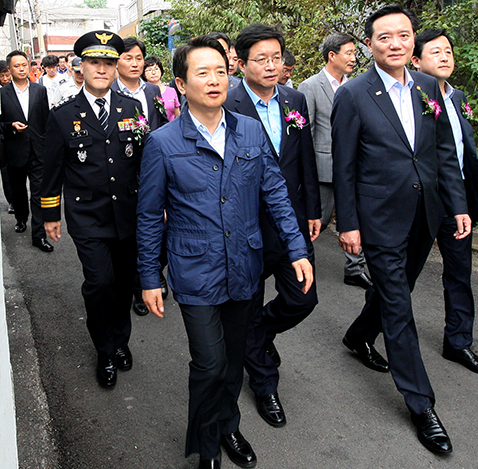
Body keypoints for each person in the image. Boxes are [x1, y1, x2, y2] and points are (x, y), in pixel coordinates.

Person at [138, 34, 313, 469]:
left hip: (246, 266)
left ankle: (228, 426)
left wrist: (297, 248)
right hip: (195, 270)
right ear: (181, 84)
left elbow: (275, 193)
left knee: (233, 362)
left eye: (221, 71)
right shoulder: (162, 143)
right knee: (210, 363)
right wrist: (148, 278)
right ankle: (207, 446)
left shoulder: (249, 129)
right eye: (202, 72)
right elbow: (147, 216)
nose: (214, 80)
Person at [333, 5, 469, 454]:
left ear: (413, 40)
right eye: (384, 36)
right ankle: (421, 403)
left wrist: (457, 206)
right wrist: (348, 224)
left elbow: (442, 153)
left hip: (425, 214)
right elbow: (345, 166)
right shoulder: (353, 94)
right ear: (370, 43)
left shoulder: (430, 86)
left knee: (399, 291)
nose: (395, 43)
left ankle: (356, 336)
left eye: (403, 35)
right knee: (398, 306)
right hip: (379, 218)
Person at [224, 24, 321, 429]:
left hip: (290, 220)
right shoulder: (226, 103)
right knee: (245, 303)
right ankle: (265, 385)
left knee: (303, 298)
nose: (270, 66)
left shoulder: (294, 98)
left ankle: (256, 337)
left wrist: (313, 209)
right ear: (241, 63)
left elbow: (305, 159)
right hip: (245, 225)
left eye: (276, 58)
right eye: (260, 59)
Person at [41, 31, 143, 388]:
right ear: (80, 67)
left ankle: (121, 340)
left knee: (124, 284)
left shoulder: (132, 109)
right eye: (95, 62)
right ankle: (104, 349)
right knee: (100, 283)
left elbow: (142, 164)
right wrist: (49, 214)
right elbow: (50, 169)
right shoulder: (63, 115)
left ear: (116, 68)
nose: (102, 69)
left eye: (109, 63)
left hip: (128, 215)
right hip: (88, 218)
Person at [411, 29, 478, 377]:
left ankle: (458, 341)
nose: (445, 56)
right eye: (436, 52)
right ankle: (362, 333)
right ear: (416, 61)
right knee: (403, 274)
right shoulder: (410, 98)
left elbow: (462, 150)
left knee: (460, 272)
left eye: (448, 51)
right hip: (422, 199)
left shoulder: (458, 96)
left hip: (458, 197)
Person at [297, 33, 372, 289]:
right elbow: (304, 134)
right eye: (349, 53)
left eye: (354, 53)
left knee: (355, 219)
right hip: (324, 169)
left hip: (355, 168)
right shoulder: (310, 86)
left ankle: (355, 267)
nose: (354, 58)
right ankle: (297, 260)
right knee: (318, 221)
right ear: (332, 56)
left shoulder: (356, 87)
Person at [111, 37, 167, 316]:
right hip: (122, 176)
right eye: (127, 58)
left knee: (164, 227)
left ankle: (155, 271)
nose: (134, 63)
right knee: (135, 233)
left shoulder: (153, 90)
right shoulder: (108, 92)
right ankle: (139, 286)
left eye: (138, 58)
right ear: (117, 61)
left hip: (155, 171)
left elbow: (163, 124)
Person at [0, 50, 52, 252]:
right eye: (16, 66)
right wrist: (11, 125)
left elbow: (45, 120)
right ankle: (21, 218)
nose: (21, 69)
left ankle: (38, 236)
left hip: (38, 150)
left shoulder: (40, 90)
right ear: (9, 69)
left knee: (38, 194)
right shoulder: (2, 94)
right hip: (15, 150)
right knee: (18, 191)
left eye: (24, 65)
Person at [0, 60, 14, 215]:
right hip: (2, 138)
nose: (5, 79)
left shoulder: (15, 90)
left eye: (7, 75)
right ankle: (12, 201)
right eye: (2, 76)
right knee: (6, 172)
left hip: (17, 137)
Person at [143, 55, 180, 121]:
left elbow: (177, 115)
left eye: (156, 69)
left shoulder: (171, 91)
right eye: (149, 70)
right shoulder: (143, 93)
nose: (153, 73)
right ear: (143, 74)